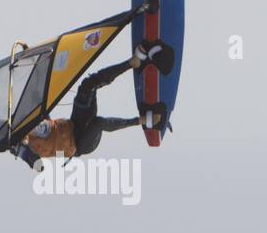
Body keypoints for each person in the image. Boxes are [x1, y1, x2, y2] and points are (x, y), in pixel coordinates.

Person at [13, 40, 172, 171]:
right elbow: (38, 166)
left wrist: (32, 62)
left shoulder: (27, 119)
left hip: (73, 124)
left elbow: (36, 95)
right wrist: (24, 150)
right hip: (80, 144)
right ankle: (143, 121)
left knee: (87, 85)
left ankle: (133, 62)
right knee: (99, 122)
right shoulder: (22, 145)